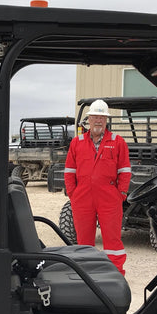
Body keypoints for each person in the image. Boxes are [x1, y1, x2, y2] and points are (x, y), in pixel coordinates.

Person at [63, 99, 132, 274]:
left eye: (102, 117)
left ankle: (115, 274)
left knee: (112, 240)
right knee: (83, 240)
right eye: (95, 117)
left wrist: (121, 193)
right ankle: (86, 273)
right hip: (82, 197)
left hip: (109, 197)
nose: (98, 121)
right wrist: (73, 194)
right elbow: (69, 171)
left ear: (106, 120)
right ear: (89, 119)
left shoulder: (118, 142)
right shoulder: (77, 142)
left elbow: (125, 171)